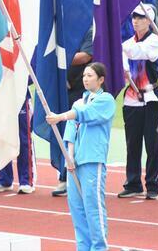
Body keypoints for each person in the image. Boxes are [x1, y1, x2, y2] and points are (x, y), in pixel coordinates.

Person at [46, 62, 116, 251]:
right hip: (74, 163)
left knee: (93, 207)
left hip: (92, 160)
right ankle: (83, 247)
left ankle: (99, 247)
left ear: (101, 80)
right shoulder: (77, 102)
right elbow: (70, 133)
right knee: (77, 208)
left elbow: (84, 115)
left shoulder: (106, 100)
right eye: (84, 75)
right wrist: (69, 158)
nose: (86, 79)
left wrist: (60, 116)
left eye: (90, 75)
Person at [118, 4, 158, 200]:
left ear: (150, 21)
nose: (135, 20)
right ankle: (133, 183)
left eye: (140, 17)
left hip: (151, 98)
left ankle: (153, 185)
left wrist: (120, 48)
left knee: (152, 145)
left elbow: (137, 53)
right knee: (132, 144)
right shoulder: (129, 42)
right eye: (134, 17)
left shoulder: (155, 41)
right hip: (131, 100)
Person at [53, 26, 94, 197]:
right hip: (64, 90)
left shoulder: (89, 28)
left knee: (80, 136)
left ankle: (81, 177)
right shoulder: (61, 26)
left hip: (82, 91)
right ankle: (65, 176)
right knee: (66, 134)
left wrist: (59, 57)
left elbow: (85, 56)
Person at [0, 95, 35, 194]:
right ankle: (4, 179)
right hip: (1, 99)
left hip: (21, 97)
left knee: (23, 139)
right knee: (1, 138)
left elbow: (33, 79)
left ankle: (26, 181)